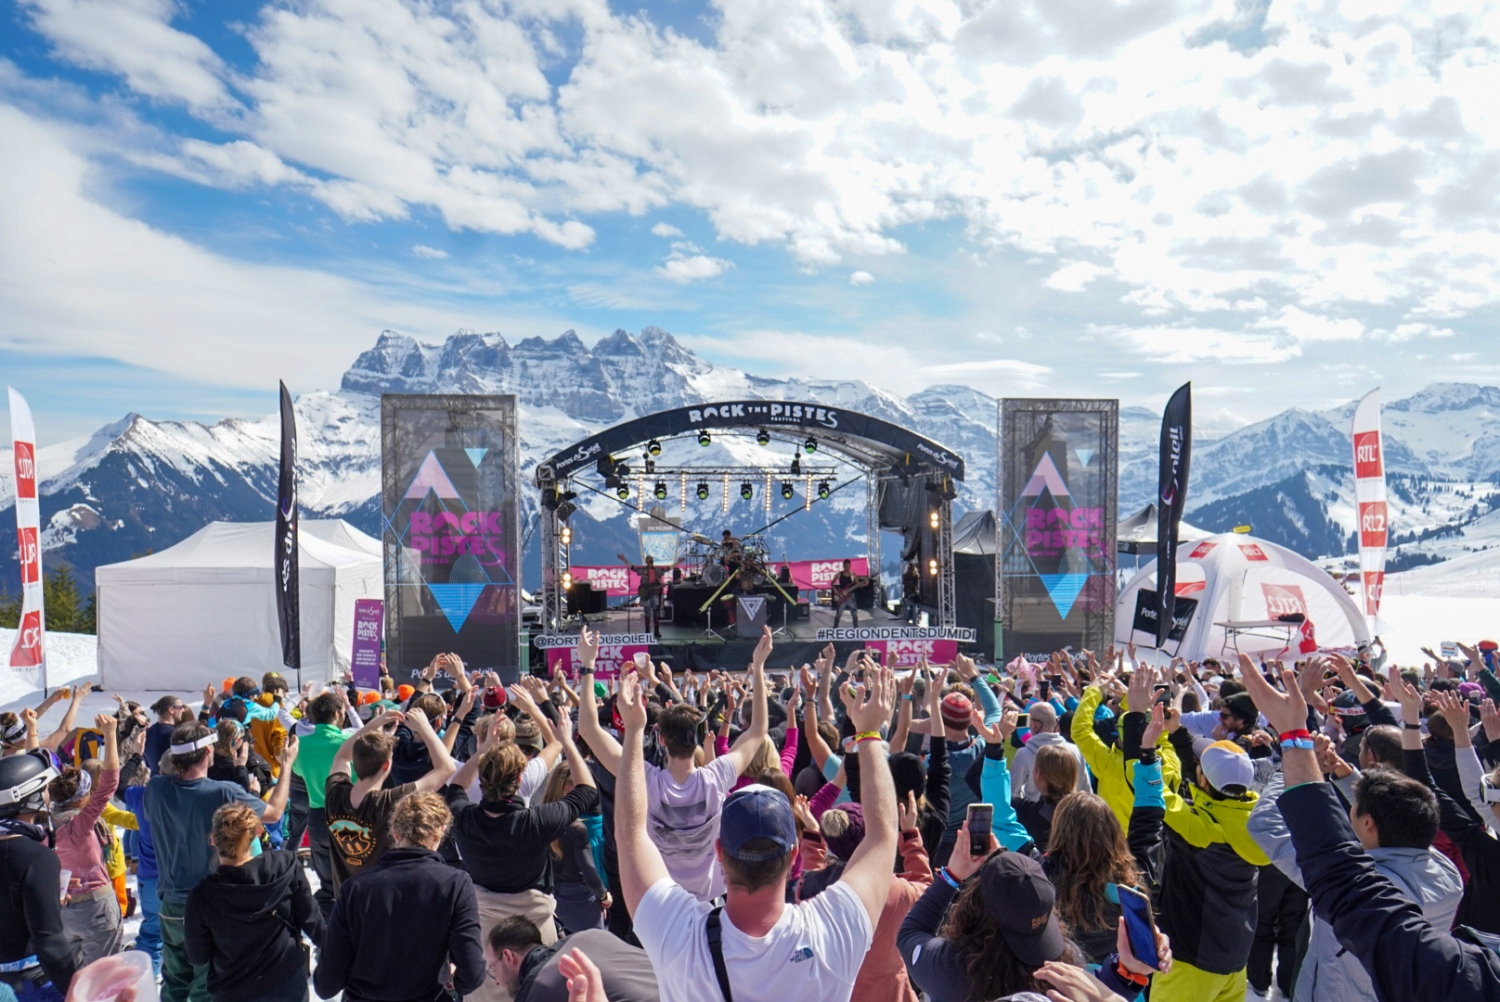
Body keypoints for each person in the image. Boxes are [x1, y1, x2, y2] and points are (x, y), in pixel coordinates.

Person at [618, 666, 900, 1002]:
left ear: (720, 851)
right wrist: (868, 734)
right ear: (793, 853)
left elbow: (631, 834)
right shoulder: (831, 931)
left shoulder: (677, 935)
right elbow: (883, 837)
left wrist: (634, 732)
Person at [1238, 655, 1500, 1002]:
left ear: (1368, 823)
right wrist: (1348, 777)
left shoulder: (1365, 888)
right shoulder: (1445, 871)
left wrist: (1296, 756)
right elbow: (1402, 809)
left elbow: (1266, 824)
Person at [579, 625, 771, 902]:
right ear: (697, 740)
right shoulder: (716, 777)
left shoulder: (645, 779)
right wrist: (759, 668)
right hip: (711, 899)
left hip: (666, 901)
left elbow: (588, 729)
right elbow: (757, 731)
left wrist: (588, 666)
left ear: (662, 740)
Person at [897, 820, 1166, 1002]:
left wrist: (952, 876)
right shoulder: (1064, 959)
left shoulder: (948, 966)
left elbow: (910, 933)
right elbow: (1093, 992)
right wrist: (1128, 971)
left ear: (974, 907)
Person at [442, 704, 597, 1002]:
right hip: (535, 927)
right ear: (520, 778)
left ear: (483, 778)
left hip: (484, 928)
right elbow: (586, 790)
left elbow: (456, 787)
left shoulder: (466, 818)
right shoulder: (536, 821)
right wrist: (566, 742)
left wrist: (483, 750)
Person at [145, 720, 298, 1002]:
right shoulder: (222, 792)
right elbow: (275, 812)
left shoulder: (155, 789)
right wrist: (287, 764)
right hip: (209, 905)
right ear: (207, 754)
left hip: (170, 904)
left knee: (174, 985)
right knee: (207, 988)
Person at [314, 792, 486, 1002]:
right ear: (439, 833)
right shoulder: (456, 884)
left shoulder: (354, 889)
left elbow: (325, 985)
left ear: (395, 831)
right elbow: (472, 973)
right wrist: (451, 980)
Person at [183, 803, 324, 1002]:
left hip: (233, 991)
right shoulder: (286, 865)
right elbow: (313, 923)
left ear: (213, 840)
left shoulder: (201, 896)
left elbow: (197, 956)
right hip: (287, 984)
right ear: (256, 834)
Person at [323, 706, 456, 892]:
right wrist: (424, 727)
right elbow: (446, 768)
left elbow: (342, 755)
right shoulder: (391, 801)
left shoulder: (334, 792)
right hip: (380, 899)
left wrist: (375, 723)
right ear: (387, 765)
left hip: (345, 900)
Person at [0, 748, 75, 1001]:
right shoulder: (36, 857)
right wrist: (77, 991)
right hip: (28, 985)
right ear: (26, 796)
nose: (48, 795)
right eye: (44, 788)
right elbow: (50, 942)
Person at [49, 713, 122, 967]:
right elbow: (110, 782)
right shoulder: (79, 825)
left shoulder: (43, 826)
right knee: (103, 980)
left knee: (77, 981)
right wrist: (111, 736)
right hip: (95, 909)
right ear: (82, 798)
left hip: (62, 912)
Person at [483, 917, 659, 1002]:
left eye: (492, 969)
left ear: (508, 957)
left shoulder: (534, 993)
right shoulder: (590, 935)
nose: (496, 981)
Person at [290, 690, 353, 919]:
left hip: (317, 816)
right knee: (352, 876)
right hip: (348, 814)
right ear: (337, 714)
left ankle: (327, 936)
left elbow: (297, 771)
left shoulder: (301, 745)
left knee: (327, 883)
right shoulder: (349, 742)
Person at [536, 762, 609, 935]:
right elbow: (590, 874)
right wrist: (604, 896)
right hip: (582, 899)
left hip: (555, 897)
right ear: (569, 789)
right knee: (595, 949)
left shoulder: (539, 819)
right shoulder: (576, 828)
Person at [1009, 702, 1089, 802]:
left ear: (1033, 724)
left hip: (1035, 814)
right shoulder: (1076, 751)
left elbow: (1012, 792)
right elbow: (1086, 791)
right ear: (1056, 722)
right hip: (1069, 812)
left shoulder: (1024, 754)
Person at [618, 553, 667, 637]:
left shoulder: (657, 570)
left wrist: (677, 562)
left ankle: (656, 631)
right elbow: (632, 567)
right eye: (647, 562)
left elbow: (668, 569)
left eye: (649, 561)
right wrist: (624, 560)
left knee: (656, 612)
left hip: (655, 593)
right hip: (646, 593)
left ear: (651, 562)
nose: (648, 563)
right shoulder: (643, 570)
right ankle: (647, 630)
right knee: (647, 612)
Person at [829, 559, 869, 628]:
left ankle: (856, 627)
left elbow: (858, 585)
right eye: (846, 566)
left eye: (849, 566)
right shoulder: (839, 575)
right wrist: (835, 590)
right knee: (839, 613)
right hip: (842, 596)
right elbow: (832, 583)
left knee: (854, 613)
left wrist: (865, 584)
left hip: (851, 597)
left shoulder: (853, 575)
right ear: (844, 566)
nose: (847, 568)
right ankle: (835, 627)